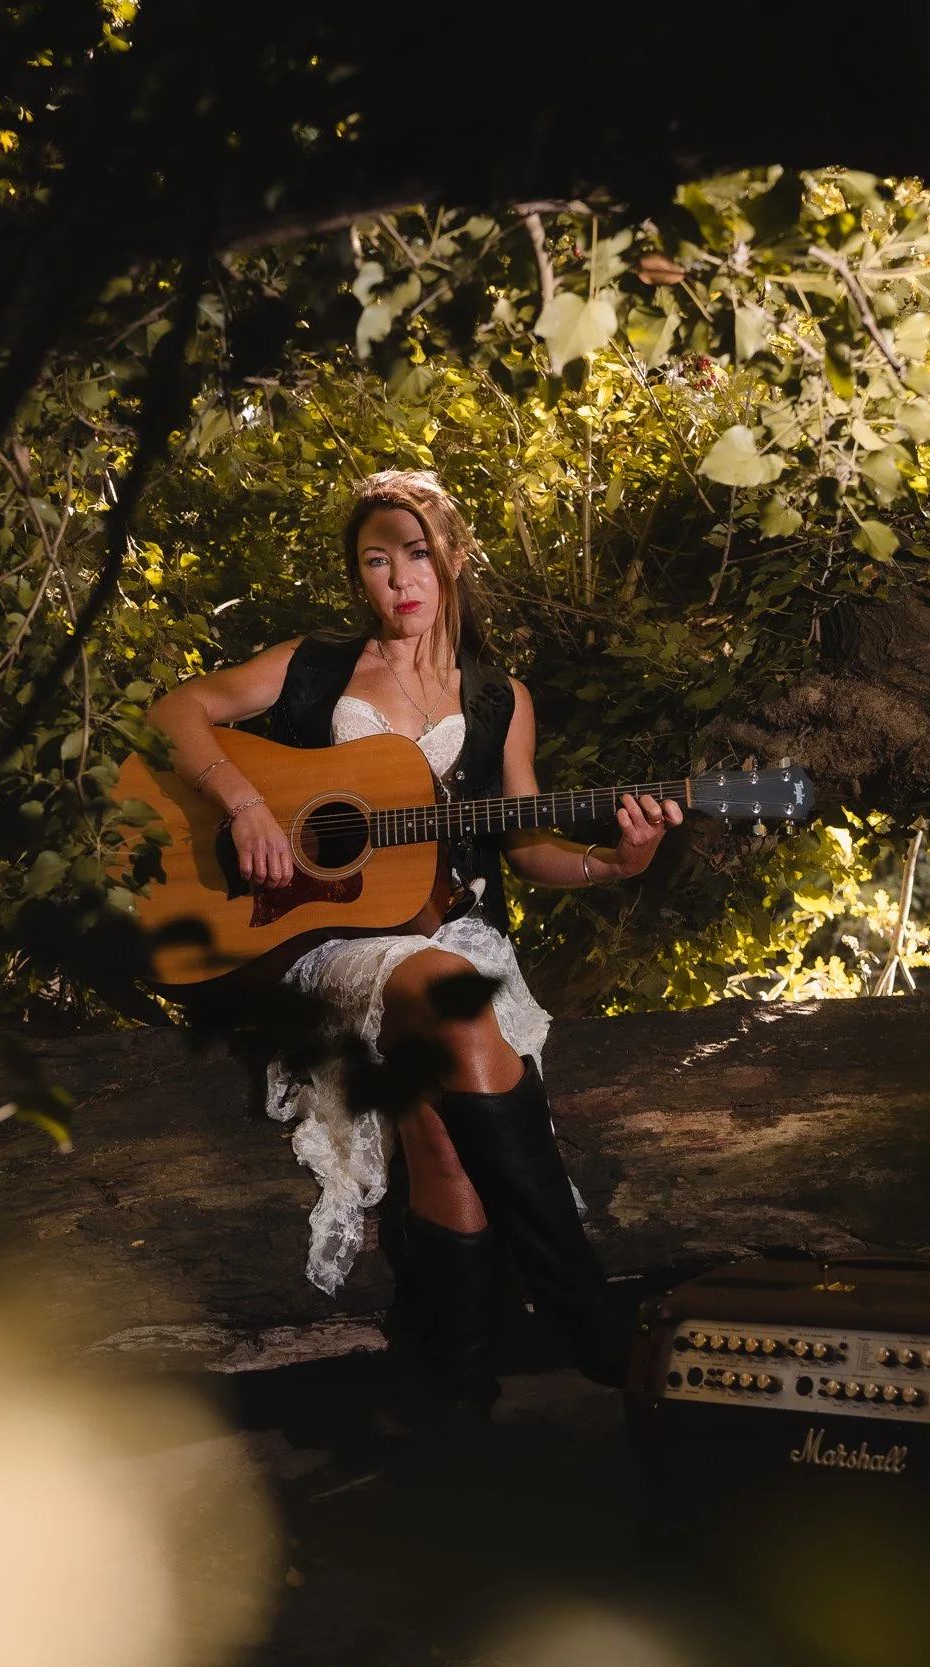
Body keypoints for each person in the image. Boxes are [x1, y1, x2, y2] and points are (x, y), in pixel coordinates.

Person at [146, 469, 682, 1411]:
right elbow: (173, 710)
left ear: (455, 560)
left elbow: (525, 842)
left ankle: (457, 1379)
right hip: (316, 940)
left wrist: (620, 866)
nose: (399, 579)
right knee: (443, 991)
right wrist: (245, 810)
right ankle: (581, 1305)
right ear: (359, 575)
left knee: (438, 1123)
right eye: (376, 561)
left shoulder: (497, 699)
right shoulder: (313, 665)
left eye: (417, 555)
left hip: (451, 930)